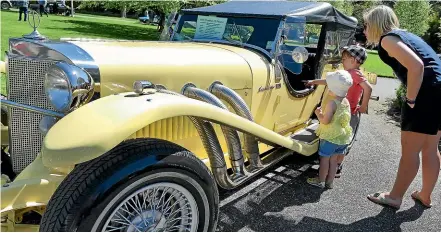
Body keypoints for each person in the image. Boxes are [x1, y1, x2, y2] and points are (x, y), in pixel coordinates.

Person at [364, 5, 441, 209]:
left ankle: (394, 197)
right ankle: (425, 195)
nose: (364, 30)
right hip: (438, 91)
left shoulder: (388, 39)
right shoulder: (405, 35)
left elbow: (417, 66)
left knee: (410, 149)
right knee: (431, 147)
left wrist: (411, 100)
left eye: (366, 25)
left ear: (375, 24)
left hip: (426, 94)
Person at [307, 45, 373, 178]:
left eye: (344, 59)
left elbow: (368, 88)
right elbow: (329, 81)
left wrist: (364, 106)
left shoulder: (355, 74)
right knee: (339, 137)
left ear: (353, 60)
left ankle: (336, 166)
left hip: (349, 112)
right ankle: (332, 165)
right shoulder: (348, 74)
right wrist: (314, 81)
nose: (342, 62)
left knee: (343, 140)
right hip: (342, 109)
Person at [307, 70, 353, 189]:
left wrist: (318, 113)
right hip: (342, 137)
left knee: (324, 160)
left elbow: (325, 121)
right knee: (334, 161)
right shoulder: (346, 102)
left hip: (331, 138)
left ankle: (320, 180)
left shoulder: (332, 103)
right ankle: (329, 182)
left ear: (332, 90)